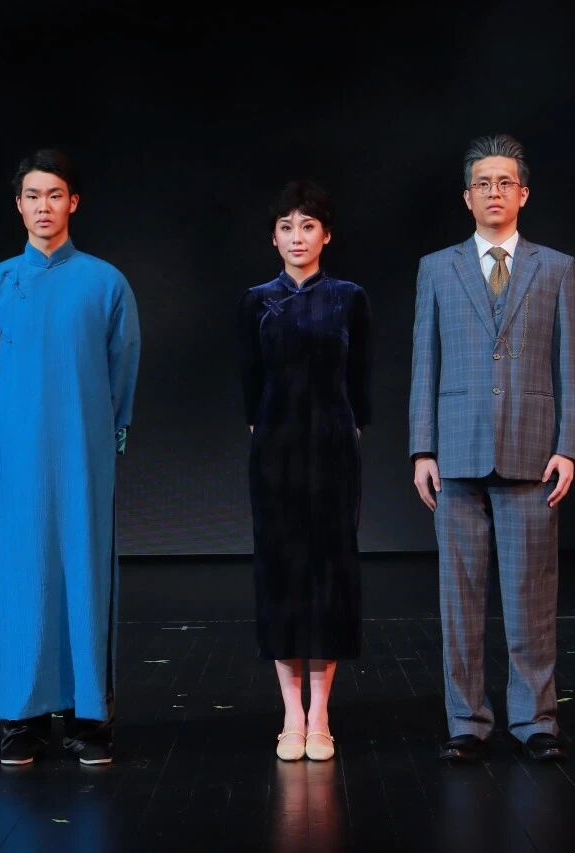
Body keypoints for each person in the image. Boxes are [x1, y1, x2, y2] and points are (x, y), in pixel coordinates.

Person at [408, 134, 575, 763]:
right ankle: (466, 721)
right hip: (456, 450)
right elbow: (424, 360)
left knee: (531, 595)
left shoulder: (555, 267)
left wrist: (568, 446)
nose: (494, 192)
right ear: (467, 197)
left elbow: (569, 363)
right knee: (459, 599)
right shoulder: (438, 267)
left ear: (523, 194)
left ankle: (535, 720)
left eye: (505, 182)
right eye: (483, 183)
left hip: (532, 452)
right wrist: (421, 449)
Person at [0, 149, 140, 766]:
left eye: (55, 195)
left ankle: (91, 715)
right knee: (20, 575)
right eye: (33, 196)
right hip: (17, 453)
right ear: (19, 205)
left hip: (84, 448)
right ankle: (24, 716)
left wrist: (102, 433)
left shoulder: (105, 282)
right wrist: (5, 437)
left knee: (84, 571)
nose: (44, 206)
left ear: (74, 202)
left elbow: (122, 370)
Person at [238, 180, 372, 762]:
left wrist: (347, 431)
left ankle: (321, 714)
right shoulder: (255, 301)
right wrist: (267, 434)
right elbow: (249, 383)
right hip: (275, 453)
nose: (297, 237)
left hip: (334, 451)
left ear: (326, 235)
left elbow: (360, 380)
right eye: (287, 227)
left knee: (330, 573)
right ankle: (291, 713)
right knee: (281, 573)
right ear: (274, 237)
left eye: (308, 226)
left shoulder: (349, 298)